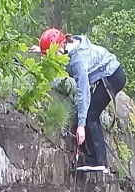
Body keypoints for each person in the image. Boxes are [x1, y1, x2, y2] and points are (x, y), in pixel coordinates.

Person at [33, 28, 126, 173]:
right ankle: (90, 155)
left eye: (52, 54)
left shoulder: (78, 61)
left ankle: (99, 162)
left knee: (90, 116)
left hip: (112, 77)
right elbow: (55, 52)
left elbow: (83, 93)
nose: (52, 58)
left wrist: (81, 126)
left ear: (62, 46)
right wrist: (41, 49)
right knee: (87, 114)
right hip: (106, 74)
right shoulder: (68, 45)